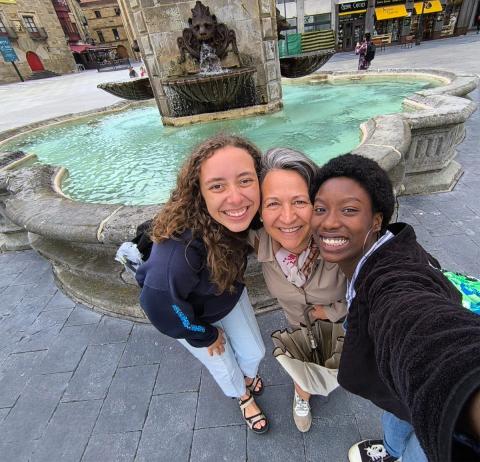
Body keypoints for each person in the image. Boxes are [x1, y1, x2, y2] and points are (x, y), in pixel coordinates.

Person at [311, 153, 480, 462]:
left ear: (376, 220)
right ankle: (391, 450)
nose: (329, 221)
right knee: (397, 414)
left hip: (442, 419)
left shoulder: (391, 277)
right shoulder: (395, 243)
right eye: (320, 209)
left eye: (349, 210)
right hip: (400, 390)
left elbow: (414, 319)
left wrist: (466, 386)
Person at [136, 134, 269, 434]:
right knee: (224, 366)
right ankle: (243, 396)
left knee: (255, 353)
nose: (236, 198)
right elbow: (158, 303)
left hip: (226, 294)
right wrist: (203, 334)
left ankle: (248, 377)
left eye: (246, 180)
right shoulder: (177, 251)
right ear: (199, 192)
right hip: (192, 316)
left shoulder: (242, 216)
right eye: (217, 186)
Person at [249, 147, 347, 432]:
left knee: (339, 363)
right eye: (273, 203)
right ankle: (302, 392)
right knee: (303, 362)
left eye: (299, 201)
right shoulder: (258, 241)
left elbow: (372, 290)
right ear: (260, 209)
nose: (288, 217)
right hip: (297, 326)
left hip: (344, 323)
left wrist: (332, 310)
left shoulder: (342, 239)